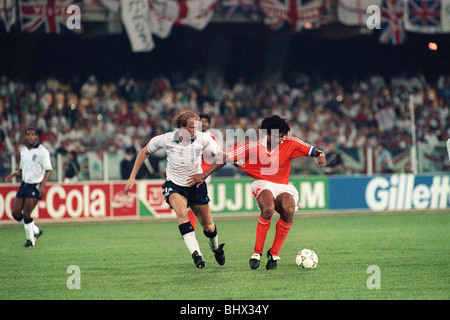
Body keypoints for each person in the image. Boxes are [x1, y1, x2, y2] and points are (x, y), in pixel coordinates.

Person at [188, 115, 326, 270]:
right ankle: (257, 253)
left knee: (288, 210)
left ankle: (273, 253)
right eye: (277, 135)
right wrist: (204, 175)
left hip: (283, 185)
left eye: (283, 135)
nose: (281, 139)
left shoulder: (291, 143)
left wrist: (320, 155)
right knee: (268, 208)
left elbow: (314, 151)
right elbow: (225, 158)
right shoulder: (252, 147)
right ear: (267, 133)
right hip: (262, 182)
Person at [124, 110, 226, 269]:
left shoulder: (203, 138)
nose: (195, 131)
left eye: (196, 127)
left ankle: (216, 248)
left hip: (196, 184)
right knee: (181, 212)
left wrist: (204, 175)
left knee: (208, 226)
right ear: (181, 127)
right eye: (191, 127)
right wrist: (132, 177)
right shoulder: (166, 139)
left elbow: (222, 157)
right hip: (175, 184)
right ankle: (197, 255)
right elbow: (144, 151)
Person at [5, 127, 52, 247]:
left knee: (26, 214)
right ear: (25, 137)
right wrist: (14, 174)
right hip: (24, 185)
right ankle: (36, 230)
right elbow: (22, 169)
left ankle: (31, 241)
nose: (30, 137)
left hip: (35, 185)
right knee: (15, 213)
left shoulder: (43, 151)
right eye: (28, 135)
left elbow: (48, 170)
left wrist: (42, 186)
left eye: (33, 134)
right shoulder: (23, 151)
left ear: (37, 136)